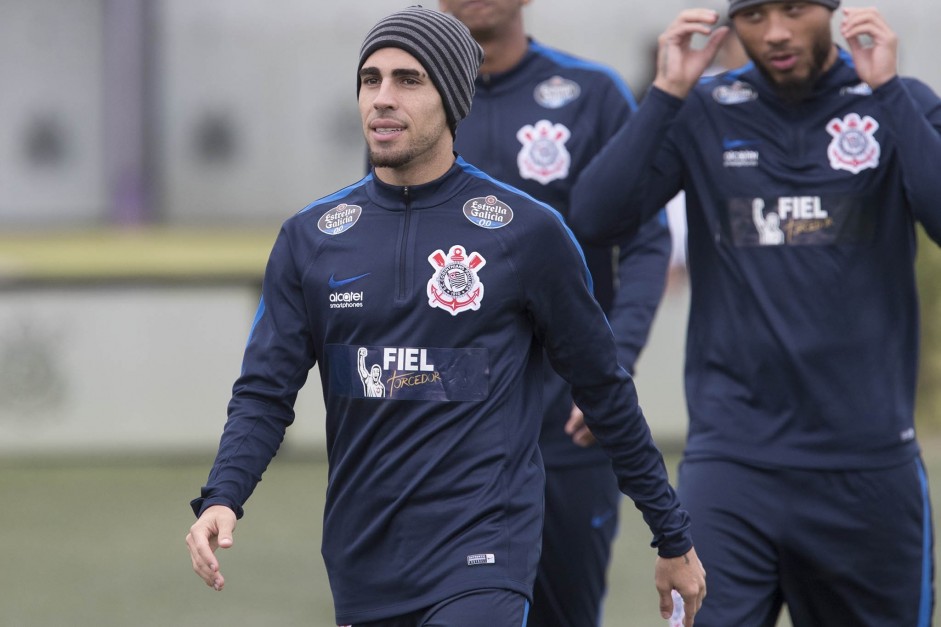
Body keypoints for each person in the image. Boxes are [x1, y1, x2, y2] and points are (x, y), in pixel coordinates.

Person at [184, 6, 706, 627]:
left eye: (409, 80)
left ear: (453, 99)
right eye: (369, 80)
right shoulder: (311, 237)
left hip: (485, 547)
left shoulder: (526, 232)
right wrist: (223, 496)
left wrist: (670, 536)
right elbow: (266, 390)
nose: (382, 98)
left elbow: (604, 390)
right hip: (363, 554)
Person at [568, 1, 941, 625]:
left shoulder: (894, 100)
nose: (775, 33)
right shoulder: (705, 110)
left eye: (794, 10)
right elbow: (595, 219)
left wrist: (888, 90)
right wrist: (666, 93)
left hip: (867, 466)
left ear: (831, 11)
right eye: (755, 15)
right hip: (732, 465)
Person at [436, 1, 673, 625]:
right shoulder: (414, 101)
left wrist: (612, 364)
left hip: (567, 424)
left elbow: (646, 238)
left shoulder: (591, 94)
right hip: (449, 431)